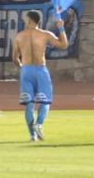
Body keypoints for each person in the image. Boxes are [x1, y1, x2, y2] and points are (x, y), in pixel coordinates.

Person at [12, 10, 68, 141]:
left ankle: (32, 135)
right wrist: (61, 27)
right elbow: (63, 45)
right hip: (40, 70)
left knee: (29, 104)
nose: (24, 21)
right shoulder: (45, 35)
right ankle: (39, 124)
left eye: (26, 19)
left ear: (31, 20)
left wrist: (22, 67)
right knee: (45, 101)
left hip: (26, 71)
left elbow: (14, 58)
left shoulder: (19, 36)